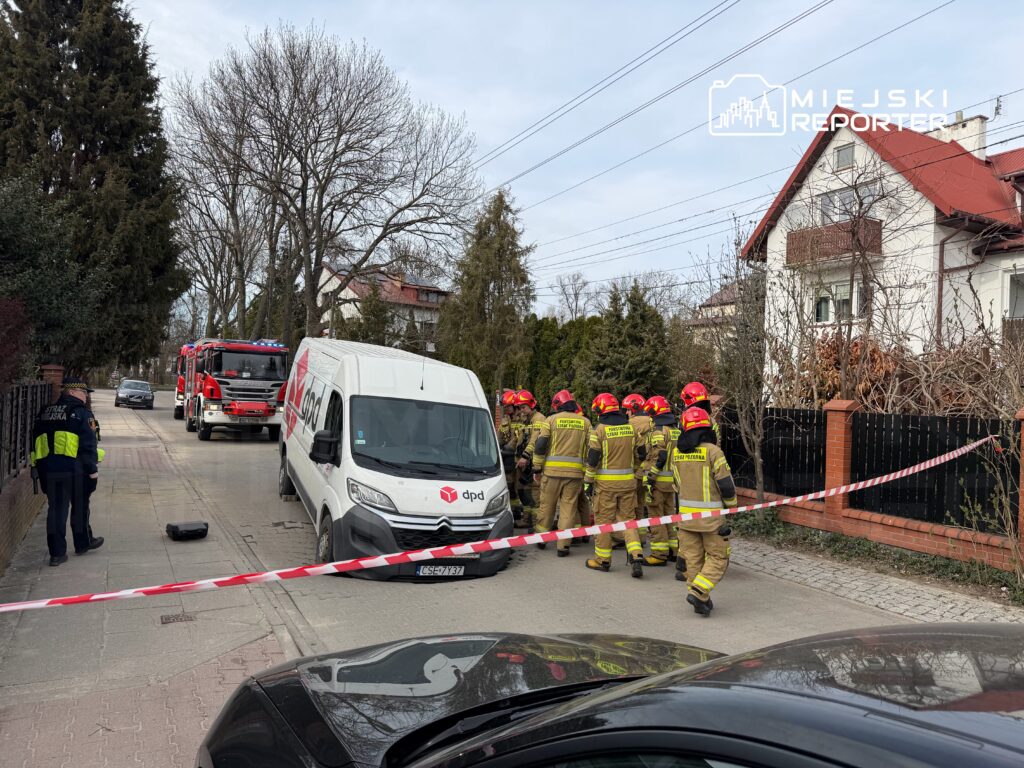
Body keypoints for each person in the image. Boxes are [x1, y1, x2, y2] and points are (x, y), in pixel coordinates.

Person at [30, 377, 105, 566]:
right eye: (83, 392)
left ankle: (57, 554)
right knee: (80, 506)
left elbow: (35, 443)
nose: (86, 395)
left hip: (49, 469)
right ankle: (82, 544)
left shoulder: (44, 412)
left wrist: (35, 467)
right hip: (75, 470)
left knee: (56, 510)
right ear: (71, 392)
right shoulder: (81, 414)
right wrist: (92, 471)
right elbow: (88, 446)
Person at [671, 406, 737, 617]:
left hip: (686, 519)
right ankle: (700, 591)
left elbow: (676, 485)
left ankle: (701, 598)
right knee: (719, 557)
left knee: (693, 559)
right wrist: (732, 506)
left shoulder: (676, 453)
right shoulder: (713, 452)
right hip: (711, 521)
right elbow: (726, 485)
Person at [584, 393, 647, 578]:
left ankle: (602, 560)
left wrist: (588, 482)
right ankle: (636, 555)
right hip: (628, 484)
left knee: (604, 523)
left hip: (606, 487)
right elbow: (642, 454)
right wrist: (635, 471)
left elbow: (593, 460)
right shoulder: (631, 428)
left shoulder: (600, 431)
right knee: (628, 521)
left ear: (601, 410)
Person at [531, 389, 589, 557]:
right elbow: (591, 449)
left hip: (552, 473)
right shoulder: (585, 422)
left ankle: (542, 539)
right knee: (568, 509)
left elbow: (541, 445)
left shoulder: (551, 420)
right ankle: (563, 546)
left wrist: (536, 467)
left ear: (557, 405)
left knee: (547, 506)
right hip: (575, 475)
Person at [640, 395, 678, 566]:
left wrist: (651, 477)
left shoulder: (658, 432)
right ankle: (673, 550)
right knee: (670, 516)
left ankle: (658, 554)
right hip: (672, 483)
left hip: (658, 483)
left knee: (656, 517)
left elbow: (660, 456)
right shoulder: (676, 430)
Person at [514, 390, 545, 529]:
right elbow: (521, 440)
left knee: (535, 494)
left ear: (532, 405)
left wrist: (525, 456)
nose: (522, 411)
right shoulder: (526, 420)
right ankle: (527, 520)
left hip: (534, 462)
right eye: (520, 408)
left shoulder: (539, 419)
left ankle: (537, 523)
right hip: (524, 462)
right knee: (524, 491)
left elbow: (535, 440)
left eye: (524, 407)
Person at [623, 393, 652, 525]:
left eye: (628, 410)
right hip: (650, 470)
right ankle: (641, 535)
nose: (627, 413)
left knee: (630, 505)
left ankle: (631, 535)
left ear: (633, 409)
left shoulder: (629, 424)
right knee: (641, 503)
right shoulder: (653, 422)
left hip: (634, 470)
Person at [497, 390, 525, 523]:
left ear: (515, 406)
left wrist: (509, 447)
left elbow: (518, 439)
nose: (506, 409)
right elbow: (500, 436)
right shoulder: (505, 419)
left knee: (518, 486)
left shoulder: (523, 418)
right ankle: (512, 511)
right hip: (507, 458)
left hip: (518, 458)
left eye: (508, 406)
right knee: (509, 484)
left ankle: (518, 511)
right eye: (505, 407)